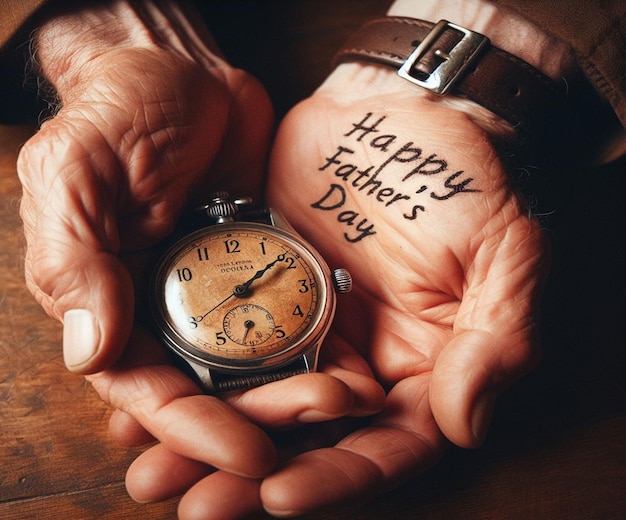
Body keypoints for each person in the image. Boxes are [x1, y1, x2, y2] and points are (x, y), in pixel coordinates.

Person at [1, 0, 624, 518]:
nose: (243, 293)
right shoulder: (216, 258)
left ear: (333, 280)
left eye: (249, 284)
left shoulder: (295, 262)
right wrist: (108, 38)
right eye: (244, 286)